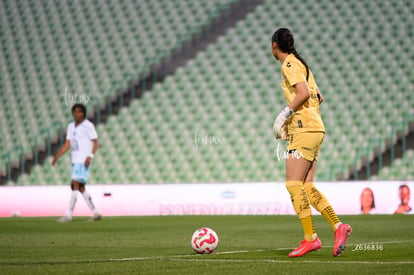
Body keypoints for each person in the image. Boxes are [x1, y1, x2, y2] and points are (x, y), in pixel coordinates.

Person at [271, 28, 352, 257]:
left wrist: (285, 115)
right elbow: (319, 96)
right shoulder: (302, 65)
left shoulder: (288, 64)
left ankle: (311, 238)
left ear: (274, 46)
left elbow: (304, 92)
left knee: (293, 184)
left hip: (305, 129)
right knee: (307, 186)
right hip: (316, 128)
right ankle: (338, 227)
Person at [52, 103, 102, 222]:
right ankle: (96, 212)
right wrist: (57, 156)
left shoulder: (88, 126)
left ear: (83, 113)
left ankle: (68, 215)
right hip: (75, 160)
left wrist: (90, 156)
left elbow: (96, 142)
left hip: (83, 160)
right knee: (81, 187)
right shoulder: (71, 127)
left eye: (79, 111)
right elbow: (67, 144)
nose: (77, 114)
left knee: (74, 184)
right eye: (75, 111)